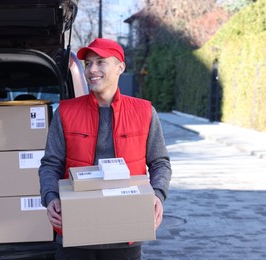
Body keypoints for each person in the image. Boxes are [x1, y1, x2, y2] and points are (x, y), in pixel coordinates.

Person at [39, 38, 172, 260]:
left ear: (120, 67)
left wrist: (158, 194)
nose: (92, 69)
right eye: (88, 63)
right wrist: (50, 196)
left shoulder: (144, 112)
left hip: (126, 230)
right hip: (75, 231)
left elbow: (160, 162)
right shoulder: (66, 113)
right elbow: (50, 164)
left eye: (100, 62)